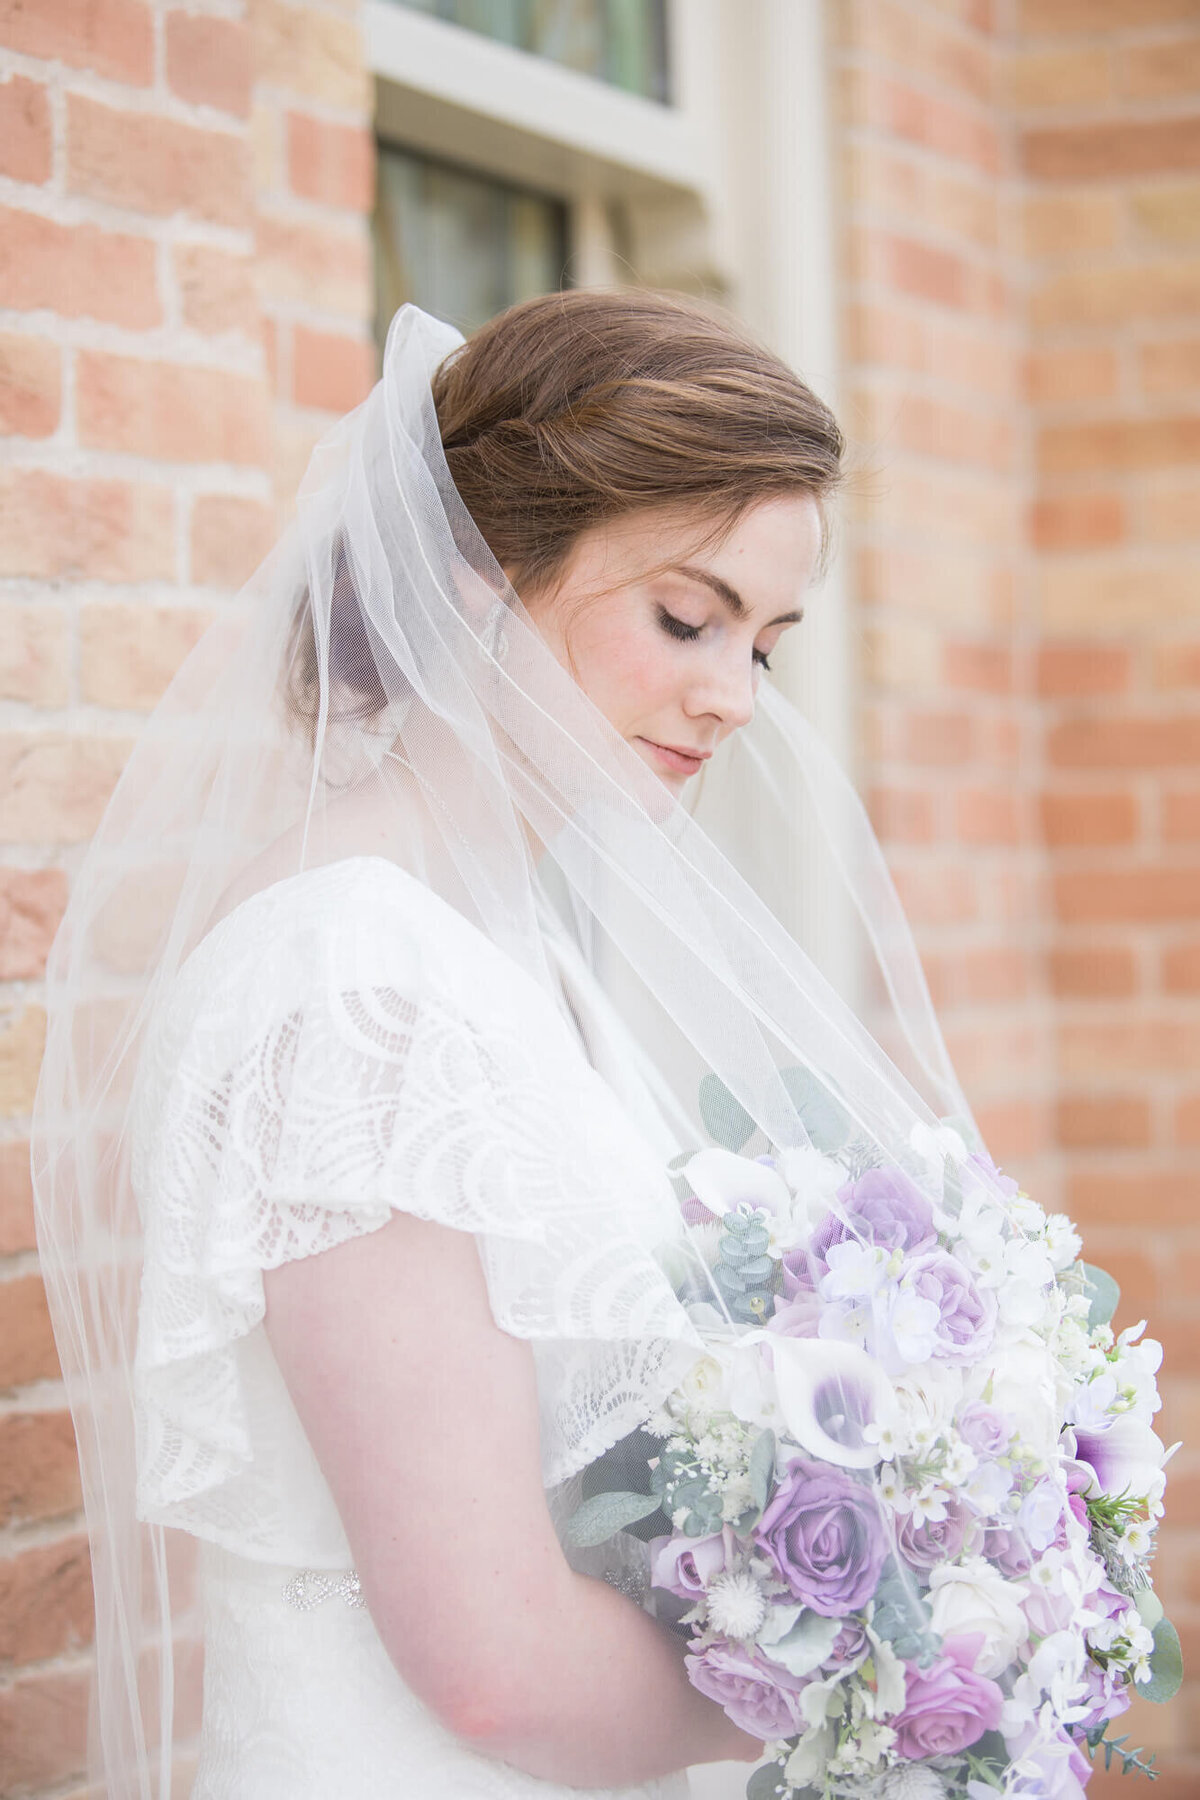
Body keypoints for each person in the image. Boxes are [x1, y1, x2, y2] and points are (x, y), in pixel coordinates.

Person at [32, 290, 976, 1798]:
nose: (732, 698)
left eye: (769, 645)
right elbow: (490, 1664)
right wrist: (900, 1678)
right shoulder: (352, 987)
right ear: (476, 580)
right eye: (686, 617)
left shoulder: (500, 955)